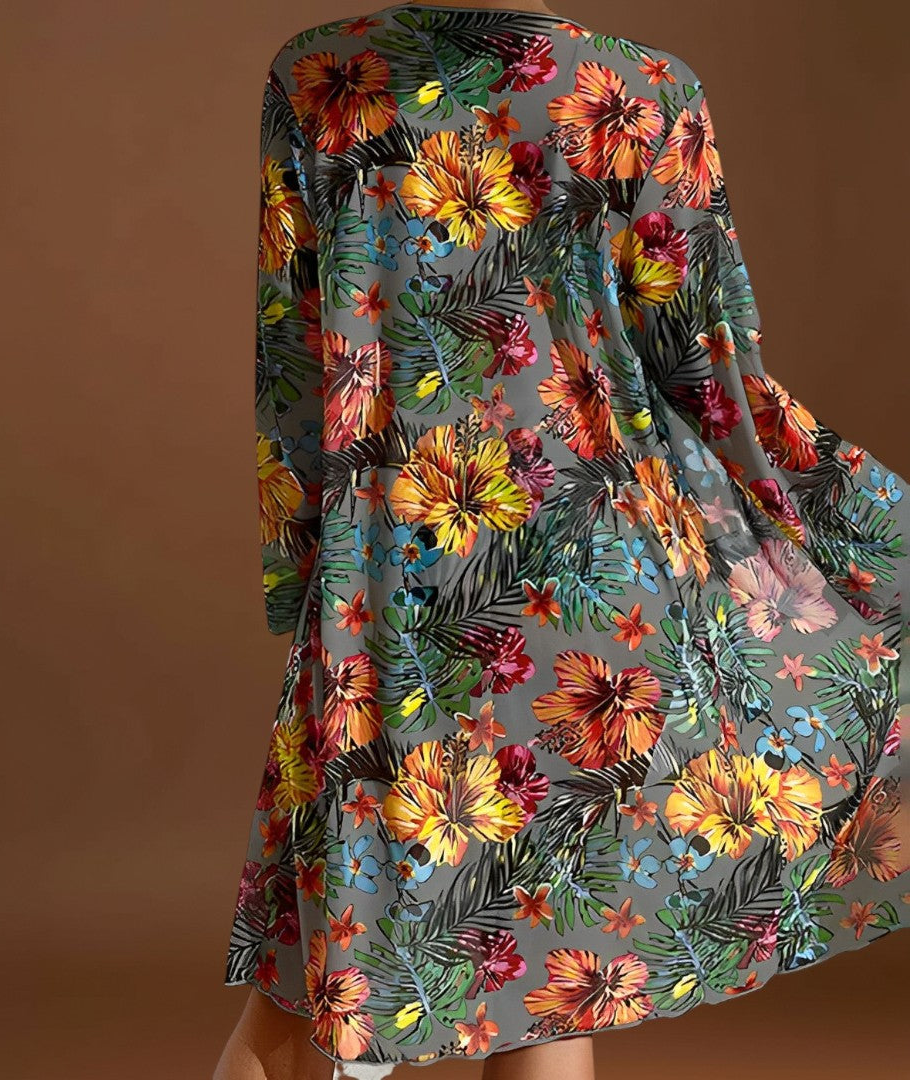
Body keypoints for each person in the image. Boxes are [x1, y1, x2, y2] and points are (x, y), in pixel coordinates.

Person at [215, 2, 910, 1077]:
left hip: (389, 576)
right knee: (550, 975)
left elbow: (297, 363)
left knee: (323, 975)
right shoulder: (640, 91)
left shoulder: (320, 77)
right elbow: (706, 366)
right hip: (594, 580)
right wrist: (835, 524)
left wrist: (306, 568)